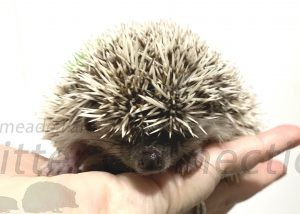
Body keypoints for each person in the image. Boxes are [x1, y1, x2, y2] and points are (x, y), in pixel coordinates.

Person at [0, 125, 299, 213]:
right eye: (129, 140)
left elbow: (221, 128)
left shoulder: (207, 124)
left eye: (173, 137)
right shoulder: (86, 132)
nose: (151, 161)